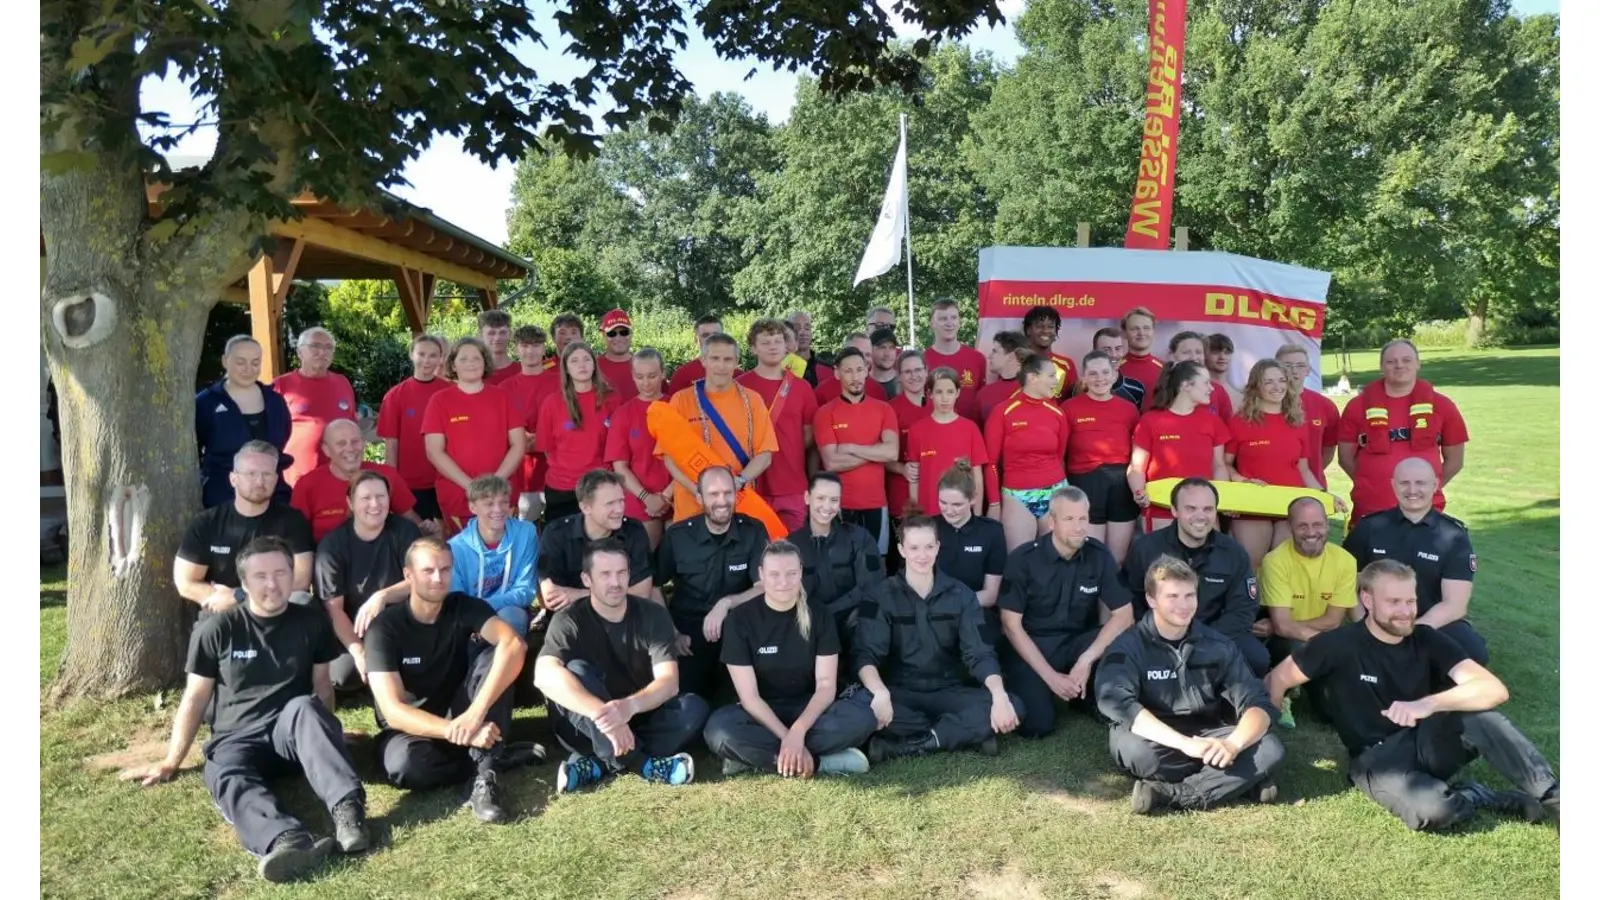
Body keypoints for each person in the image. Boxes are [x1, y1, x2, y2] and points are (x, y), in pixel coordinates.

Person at [129, 537, 367, 883]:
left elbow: (322, 687)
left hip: (290, 735)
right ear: (243, 583)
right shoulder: (216, 630)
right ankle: (286, 840)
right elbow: (195, 698)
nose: (272, 584)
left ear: (293, 575)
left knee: (305, 707)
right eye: (261, 576)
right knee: (225, 773)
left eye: (281, 573)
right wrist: (170, 761)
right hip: (236, 740)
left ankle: (349, 816)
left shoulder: (311, 622)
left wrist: (328, 734)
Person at [1265, 559, 1559, 831]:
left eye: (1410, 601)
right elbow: (1276, 680)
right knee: (1435, 811)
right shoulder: (1336, 645)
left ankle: (1554, 797)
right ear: (1367, 600)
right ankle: (1474, 795)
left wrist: (1428, 704)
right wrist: (1272, 744)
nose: (1406, 612)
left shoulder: (1427, 638)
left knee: (1481, 717)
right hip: (1376, 759)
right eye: (1394, 602)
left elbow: (1494, 689)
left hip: (1426, 739)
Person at [365, 536, 542, 824]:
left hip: (464, 711)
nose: (438, 578)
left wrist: (475, 714)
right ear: (408, 575)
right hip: (414, 731)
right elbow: (393, 711)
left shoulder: (463, 606)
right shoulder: (384, 629)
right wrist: (457, 731)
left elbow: (513, 644)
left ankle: (484, 776)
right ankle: (490, 755)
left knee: (496, 657)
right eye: (428, 571)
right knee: (404, 766)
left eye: (445, 569)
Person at [1095, 555, 1284, 814]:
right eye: (1172, 597)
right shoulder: (1126, 647)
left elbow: (1257, 703)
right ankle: (1240, 779)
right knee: (1138, 754)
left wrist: (1234, 745)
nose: (1183, 605)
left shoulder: (1218, 645)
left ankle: (1172, 794)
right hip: (1156, 738)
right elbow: (1120, 705)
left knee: (1270, 748)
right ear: (1151, 599)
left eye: (1189, 596)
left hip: (1210, 733)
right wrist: (1185, 744)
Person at [535, 539, 710, 792]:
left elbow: (669, 682)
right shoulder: (568, 620)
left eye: (621, 573)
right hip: (585, 724)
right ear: (586, 579)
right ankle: (642, 763)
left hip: (637, 714)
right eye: (605, 574)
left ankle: (599, 763)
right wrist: (606, 717)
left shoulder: (653, 614)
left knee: (694, 708)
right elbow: (543, 675)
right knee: (576, 671)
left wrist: (628, 707)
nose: (615, 582)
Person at [849, 516, 1022, 761]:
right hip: (900, 693)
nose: (922, 555)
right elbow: (865, 654)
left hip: (948, 690)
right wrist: (880, 693)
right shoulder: (877, 596)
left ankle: (910, 744)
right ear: (901, 550)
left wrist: (999, 695)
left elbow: (980, 652)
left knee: (1013, 704)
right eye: (914, 548)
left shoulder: (962, 595)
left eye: (929, 547)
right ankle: (958, 733)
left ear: (938, 547)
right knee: (862, 710)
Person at [703, 541, 879, 777]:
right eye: (774, 574)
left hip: (810, 709)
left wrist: (798, 731)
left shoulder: (819, 614)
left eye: (791, 573)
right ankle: (821, 762)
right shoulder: (740, 620)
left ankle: (754, 758)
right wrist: (788, 737)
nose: (783, 582)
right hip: (761, 712)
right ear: (761, 574)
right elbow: (750, 698)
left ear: (801, 573)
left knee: (863, 717)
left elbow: (826, 687)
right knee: (719, 731)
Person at [999, 487, 1134, 739]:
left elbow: (1124, 614)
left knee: (1126, 639)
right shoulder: (1023, 559)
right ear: (1052, 522)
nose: (1079, 527)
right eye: (1069, 519)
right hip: (1033, 644)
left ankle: (1088, 696)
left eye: (1083, 518)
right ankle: (1037, 687)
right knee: (1036, 726)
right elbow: (1010, 625)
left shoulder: (1098, 555)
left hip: (1077, 643)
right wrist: (1051, 678)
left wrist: (1086, 659)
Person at [1343, 457, 1487, 665]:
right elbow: (1347, 587)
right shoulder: (1369, 528)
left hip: (1432, 622)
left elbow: (1455, 605)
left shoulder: (1453, 536)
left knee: (1473, 652)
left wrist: (1411, 633)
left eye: (1420, 483)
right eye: (1404, 483)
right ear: (1393, 484)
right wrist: (1365, 626)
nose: (1412, 490)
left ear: (1435, 485)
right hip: (1378, 622)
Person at [1123, 478, 1267, 676]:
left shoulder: (1233, 553)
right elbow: (1132, 601)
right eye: (1191, 508)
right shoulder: (1146, 549)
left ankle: (1229, 693)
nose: (1200, 516)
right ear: (1174, 510)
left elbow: (1243, 609)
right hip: (1159, 634)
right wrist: (1162, 636)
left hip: (1215, 634)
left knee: (1256, 658)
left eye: (1208, 509)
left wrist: (1204, 641)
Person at [654, 467, 769, 699]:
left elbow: (764, 586)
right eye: (714, 494)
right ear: (699, 498)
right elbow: (654, 586)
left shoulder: (753, 531)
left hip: (738, 632)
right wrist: (672, 633)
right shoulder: (678, 536)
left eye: (728, 493)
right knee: (687, 703)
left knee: (741, 701)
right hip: (688, 636)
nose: (722, 501)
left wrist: (726, 603)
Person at [1338, 339, 1469, 526]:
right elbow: (1345, 458)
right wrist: (1369, 483)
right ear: (1382, 367)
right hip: (1370, 510)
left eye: (1406, 360)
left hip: (1424, 512)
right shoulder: (1356, 406)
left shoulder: (1442, 406)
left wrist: (1426, 489)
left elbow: (1455, 461)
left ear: (1418, 364)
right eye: (1391, 361)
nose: (1399, 365)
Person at [314, 471, 421, 692]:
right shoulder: (332, 546)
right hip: (355, 628)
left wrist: (382, 596)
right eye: (366, 498)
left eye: (381, 496)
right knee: (343, 676)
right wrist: (358, 651)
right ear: (350, 503)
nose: (375, 504)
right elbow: (334, 609)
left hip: (400, 623)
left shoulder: (405, 531)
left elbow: (420, 580)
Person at [175, 442, 314, 612]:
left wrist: (240, 597)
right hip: (224, 613)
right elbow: (186, 582)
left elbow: (300, 580)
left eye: (266, 474)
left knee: (301, 600)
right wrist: (218, 597)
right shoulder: (207, 522)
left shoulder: (292, 520)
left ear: (276, 479)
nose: (260, 481)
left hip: (275, 611)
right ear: (233, 479)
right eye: (251, 474)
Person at [1224, 359, 1336, 569]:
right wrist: (1241, 480)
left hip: (1291, 505)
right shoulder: (1239, 422)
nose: (1277, 387)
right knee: (1252, 566)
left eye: (1281, 380)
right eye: (1268, 382)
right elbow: (1225, 464)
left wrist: (1325, 498)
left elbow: (1303, 469)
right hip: (1253, 504)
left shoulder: (1297, 422)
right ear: (1256, 386)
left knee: (1285, 568)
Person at [1258, 496, 1357, 728]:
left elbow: (1333, 621)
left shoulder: (1345, 561)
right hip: (1286, 641)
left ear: (1327, 524)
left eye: (1317, 524)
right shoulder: (1275, 561)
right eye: (1302, 525)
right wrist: (1330, 645)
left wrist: (1284, 626)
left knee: (1331, 714)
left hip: (1315, 637)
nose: (1311, 532)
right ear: (1289, 527)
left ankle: (1303, 685)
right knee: (1285, 642)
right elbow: (1283, 627)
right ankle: (1282, 693)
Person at [662, 333, 777, 523]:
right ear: (703, 360)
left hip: (738, 505)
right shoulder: (681, 400)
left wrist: (739, 482)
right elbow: (669, 458)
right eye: (715, 358)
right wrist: (698, 491)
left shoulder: (753, 400)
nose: (721, 366)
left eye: (728, 359)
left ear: (736, 362)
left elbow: (765, 455)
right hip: (692, 507)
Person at [421, 337, 525, 535]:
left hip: (502, 494)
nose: (471, 363)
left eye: (477, 358)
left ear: (485, 362)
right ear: (453, 365)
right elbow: (434, 451)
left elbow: (518, 445)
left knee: (504, 550)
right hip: (459, 496)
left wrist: (495, 483)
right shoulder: (439, 401)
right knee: (463, 551)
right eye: (464, 359)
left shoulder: (503, 397)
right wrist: (471, 486)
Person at [786, 472, 885, 666]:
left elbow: (872, 584)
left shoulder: (860, 538)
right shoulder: (791, 545)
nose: (827, 506)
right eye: (820, 498)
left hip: (851, 616)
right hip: (809, 619)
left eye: (833, 500)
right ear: (807, 498)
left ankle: (864, 675)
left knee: (871, 613)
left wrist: (830, 612)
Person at [814, 346, 900, 552]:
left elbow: (891, 453)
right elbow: (832, 462)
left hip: (876, 502)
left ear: (867, 370)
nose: (855, 377)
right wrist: (876, 453)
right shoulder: (825, 413)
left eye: (860, 370)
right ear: (837, 373)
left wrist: (852, 448)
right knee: (842, 562)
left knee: (876, 561)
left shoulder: (884, 409)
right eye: (848, 371)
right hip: (840, 504)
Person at [1127, 360, 1229, 531]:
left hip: (1202, 513)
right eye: (1206, 383)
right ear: (1186, 386)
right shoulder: (1150, 421)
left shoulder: (1213, 421)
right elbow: (1137, 467)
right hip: (1161, 510)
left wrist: (1223, 500)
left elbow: (1219, 466)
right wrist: (1138, 492)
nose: (1211, 388)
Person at [739, 319, 820, 532]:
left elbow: (808, 436)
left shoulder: (802, 388)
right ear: (753, 348)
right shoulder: (740, 387)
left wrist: (787, 448)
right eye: (765, 342)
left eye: (777, 341)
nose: (773, 347)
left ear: (787, 346)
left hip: (792, 484)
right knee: (756, 547)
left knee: (793, 547)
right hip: (751, 482)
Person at [984, 354, 1072, 552]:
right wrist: (994, 504)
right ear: (1032, 377)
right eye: (1051, 375)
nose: (1056, 380)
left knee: (1055, 559)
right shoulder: (1003, 411)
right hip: (1017, 495)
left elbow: (1060, 457)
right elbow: (991, 464)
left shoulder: (1057, 413)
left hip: (1054, 492)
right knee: (1019, 558)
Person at [196, 335, 292, 506]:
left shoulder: (275, 401)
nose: (248, 369)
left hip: (273, 495)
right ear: (225, 361)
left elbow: (283, 437)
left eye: (255, 363)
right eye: (241, 362)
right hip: (224, 498)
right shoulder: (206, 403)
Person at [1063, 351, 1140, 564]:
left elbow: (1139, 453)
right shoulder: (1069, 408)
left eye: (1105, 372)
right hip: (1085, 482)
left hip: (1121, 485)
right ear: (1084, 377)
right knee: (1090, 555)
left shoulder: (1129, 409)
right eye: (1093, 373)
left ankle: (1112, 586)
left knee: (1117, 558)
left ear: (1114, 375)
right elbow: (1060, 452)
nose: (1100, 379)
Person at [537, 469, 655, 610]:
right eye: (610, 503)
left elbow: (642, 593)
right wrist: (612, 596)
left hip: (623, 614)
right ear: (585, 507)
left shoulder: (633, 531)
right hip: (572, 616)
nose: (619, 509)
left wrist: (578, 595)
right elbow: (551, 598)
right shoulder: (557, 534)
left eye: (621, 501)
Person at [291, 419, 423, 542]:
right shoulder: (308, 485)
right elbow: (296, 538)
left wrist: (426, 532)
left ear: (363, 443)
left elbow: (410, 519)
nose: (350, 449)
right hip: (328, 555)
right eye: (341, 444)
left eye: (355, 441)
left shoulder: (386, 475)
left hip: (382, 552)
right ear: (326, 450)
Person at [534, 341, 621, 524]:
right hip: (562, 489)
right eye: (574, 361)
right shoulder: (552, 403)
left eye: (586, 359)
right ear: (566, 368)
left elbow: (619, 446)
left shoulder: (612, 399)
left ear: (594, 365)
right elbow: (546, 447)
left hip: (600, 486)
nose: (582, 365)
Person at [447, 475, 540, 638]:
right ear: (473, 507)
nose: (498, 509)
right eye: (489, 504)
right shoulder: (455, 547)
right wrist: (476, 611)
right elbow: (456, 599)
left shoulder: (526, 533)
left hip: (509, 609)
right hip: (470, 615)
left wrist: (486, 604)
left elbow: (526, 590)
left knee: (512, 618)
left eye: (503, 502)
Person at [606, 348, 675, 547]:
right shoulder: (623, 414)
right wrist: (647, 498)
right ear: (633, 376)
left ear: (663, 373)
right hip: (639, 501)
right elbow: (620, 466)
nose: (646, 383)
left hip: (677, 495)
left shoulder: (677, 407)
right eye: (640, 377)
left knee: (680, 559)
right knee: (644, 558)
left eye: (652, 376)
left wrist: (666, 495)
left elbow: (688, 460)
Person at [378, 334, 450, 523]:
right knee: (417, 538)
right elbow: (391, 445)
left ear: (441, 358)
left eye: (433, 355)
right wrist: (393, 486)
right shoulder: (394, 396)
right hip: (411, 486)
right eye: (421, 354)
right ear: (411, 354)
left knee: (448, 537)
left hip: (447, 479)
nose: (426, 360)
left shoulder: (450, 392)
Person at [274, 327, 358, 488]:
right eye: (315, 346)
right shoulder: (281, 386)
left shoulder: (342, 383)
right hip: (295, 480)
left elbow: (352, 425)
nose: (322, 352)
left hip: (339, 478)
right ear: (300, 352)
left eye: (328, 347)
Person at [932, 462, 1007, 640]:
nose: (949, 510)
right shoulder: (929, 527)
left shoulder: (991, 532)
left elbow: (991, 594)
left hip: (975, 611)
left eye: (957, 504)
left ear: (973, 498)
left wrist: (954, 605)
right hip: (933, 613)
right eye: (943, 502)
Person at [905, 366, 988, 517]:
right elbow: (914, 478)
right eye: (939, 392)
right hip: (928, 513)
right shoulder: (917, 430)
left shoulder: (970, 429)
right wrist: (915, 516)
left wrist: (977, 515)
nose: (944, 398)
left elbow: (977, 477)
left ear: (958, 393)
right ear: (930, 394)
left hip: (961, 514)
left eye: (950, 392)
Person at [499, 324, 560, 520]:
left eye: (535, 345)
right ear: (516, 349)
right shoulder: (505, 388)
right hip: (522, 474)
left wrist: (541, 437)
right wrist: (521, 437)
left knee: (558, 529)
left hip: (558, 471)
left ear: (544, 348)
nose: (530, 351)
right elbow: (499, 429)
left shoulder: (560, 383)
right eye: (524, 346)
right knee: (525, 530)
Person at [885, 349, 932, 570]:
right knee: (906, 560)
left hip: (935, 496)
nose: (914, 376)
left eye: (918, 370)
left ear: (927, 372)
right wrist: (901, 468)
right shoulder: (891, 409)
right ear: (899, 376)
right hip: (902, 497)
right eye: (908, 372)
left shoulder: (939, 404)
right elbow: (881, 456)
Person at [1274, 343, 1339, 488]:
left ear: (1308, 370)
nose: (1294, 371)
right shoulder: (1263, 405)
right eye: (1287, 365)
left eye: (1300, 366)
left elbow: (1328, 450)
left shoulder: (1325, 406)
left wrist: (1310, 473)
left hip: (1312, 486)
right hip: (1274, 487)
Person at [920, 298, 986, 418]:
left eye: (954, 317)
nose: (949, 323)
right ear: (932, 323)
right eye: (943, 318)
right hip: (935, 427)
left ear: (959, 321)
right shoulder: (922, 361)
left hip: (971, 428)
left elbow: (983, 400)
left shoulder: (978, 359)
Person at [1165, 331, 1233, 420]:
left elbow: (1226, 424)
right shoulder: (1162, 388)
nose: (1194, 357)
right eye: (1186, 352)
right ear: (1172, 356)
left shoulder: (1217, 391)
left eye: (1198, 352)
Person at [668, 314, 740, 395]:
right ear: (696, 340)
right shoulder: (682, 375)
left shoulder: (738, 375)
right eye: (705, 335)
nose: (711, 339)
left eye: (716, 335)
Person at [1022, 304, 1077, 398]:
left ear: (1056, 331)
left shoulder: (1066, 365)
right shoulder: (1017, 362)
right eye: (1039, 326)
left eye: (1050, 327)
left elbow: (1074, 399)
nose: (1045, 331)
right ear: (1028, 330)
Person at [975, 331, 1028, 424]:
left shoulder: (1034, 392)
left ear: (1011, 357)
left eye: (995, 351)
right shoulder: (983, 394)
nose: (989, 356)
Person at [1118, 307, 1165, 403]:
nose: (1141, 333)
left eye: (1146, 328)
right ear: (1124, 333)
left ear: (1153, 331)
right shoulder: (1114, 369)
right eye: (1134, 329)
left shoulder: (1166, 369)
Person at [1091, 327, 1146, 409]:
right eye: (1106, 350)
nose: (1114, 355)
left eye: (1117, 349)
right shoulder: (1082, 388)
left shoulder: (1136, 389)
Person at [596, 308, 639, 401]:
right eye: (612, 334)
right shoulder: (593, 367)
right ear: (603, 335)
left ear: (631, 333)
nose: (618, 338)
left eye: (624, 332)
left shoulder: (645, 364)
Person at [784, 309, 833, 387]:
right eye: (797, 329)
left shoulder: (827, 370)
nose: (802, 332)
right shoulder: (778, 369)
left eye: (807, 328)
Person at [1204, 333, 1244, 409]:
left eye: (1226, 352)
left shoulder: (1239, 397)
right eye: (1215, 352)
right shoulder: (1196, 391)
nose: (1222, 357)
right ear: (1204, 355)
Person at [478, 309, 518, 384]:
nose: (497, 338)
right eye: (491, 333)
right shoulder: (472, 374)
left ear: (510, 334)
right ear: (480, 335)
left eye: (502, 332)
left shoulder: (524, 371)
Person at [867, 327, 903, 400]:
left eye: (892, 348)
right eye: (882, 347)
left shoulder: (905, 382)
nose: (887, 354)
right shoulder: (861, 383)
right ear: (870, 349)